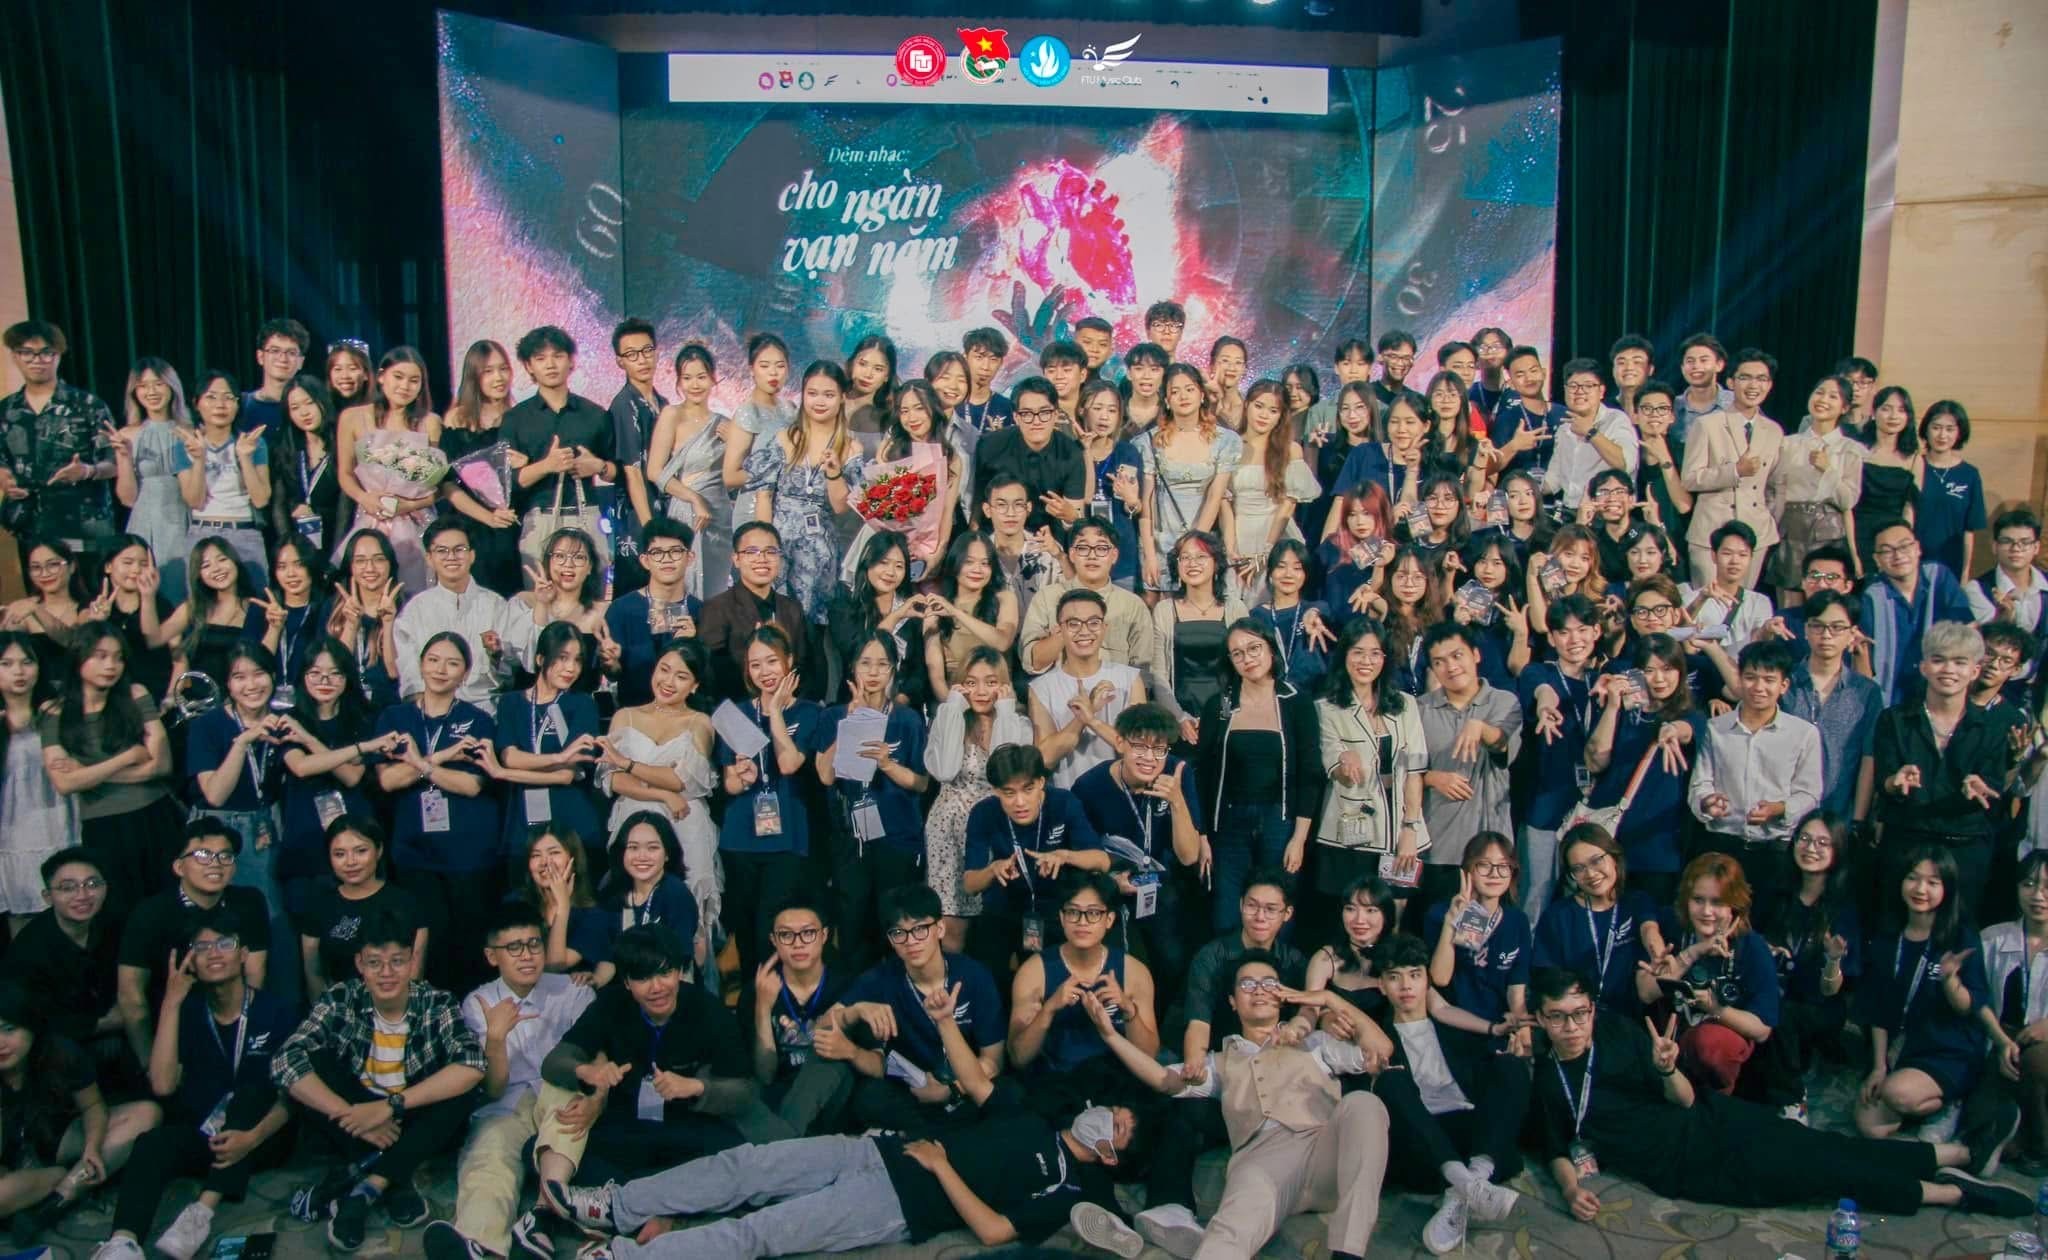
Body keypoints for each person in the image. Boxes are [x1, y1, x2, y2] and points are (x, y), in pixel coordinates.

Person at [1528, 967, 2030, 1226]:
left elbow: (1683, 1100)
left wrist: (1667, 1068)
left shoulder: (1617, 1031)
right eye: (1558, 1016)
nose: (1572, 1026)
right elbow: (1555, 1147)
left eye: (1580, 1012)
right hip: (1684, 1165)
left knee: (1822, 1146)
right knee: (1820, 1173)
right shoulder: (1548, 1078)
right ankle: (1951, 1193)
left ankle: (1954, 1155)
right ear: (1540, 1018)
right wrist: (1571, 1191)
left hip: (1711, 1118)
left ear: (1592, 1009)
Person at [550, 1077, 1133, 1260]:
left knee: (762, 1233)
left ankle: (623, 1256)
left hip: (900, 1204)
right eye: (1112, 1109)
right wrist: (941, 1014)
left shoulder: (1067, 1187)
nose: (1109, 1116)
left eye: (1121, 1125)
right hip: (874, 1150)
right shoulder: (1032, 1118)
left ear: (1111, 1153)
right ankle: (616, 1205)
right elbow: (977, 1082)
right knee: (746, 1166)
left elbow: (994, 1231)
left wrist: (941, 1168)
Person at [1091, 950, 1392, 1260]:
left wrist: (1327, 998)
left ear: (1282, 997)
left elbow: (1382, 1048)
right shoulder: (1220, 1061)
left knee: (1364, 1104)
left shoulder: (1314, 1043)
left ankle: (1348, 1253)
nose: (1259, 990)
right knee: (1226, 1236)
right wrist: (1110, 1035)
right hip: (1262, 1161)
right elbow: (1162, 1079)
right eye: (1247, 984)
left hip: (1323, 1151)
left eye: (1269, 983)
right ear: (1233, 1002)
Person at [271, 908, 484, 1252]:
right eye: (375, 963)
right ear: (360, 963)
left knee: (462, 1091)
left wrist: (389, 1106)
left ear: (412, 962)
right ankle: (396, 1179)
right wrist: (353, 1115)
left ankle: (366, 1187)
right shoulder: (342, 997)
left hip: (409, 1111)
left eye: (397, 962)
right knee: (311, 1065)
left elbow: (473, 1064)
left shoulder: (436, 1002)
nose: (386, 973)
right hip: (355, 1112)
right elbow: (284, 1060)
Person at [94, 907, 292, 1260]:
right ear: (191, 962)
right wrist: (171, 1003)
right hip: (205, 1135)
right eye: (202, 948)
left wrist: (251, 1139)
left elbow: (291, 1098)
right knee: (153, 1143)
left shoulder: (276, 1011)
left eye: (225, 944)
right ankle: (123, 1242)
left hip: (261, 1137)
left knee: (249, 1094)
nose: (214, 953)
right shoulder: (185, 1011)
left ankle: (200, 1212)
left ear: (243, 954)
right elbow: (162, 1085)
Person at [423, 900, 595, 1260]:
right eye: (514, 947)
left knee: (566, 1117)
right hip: (508, 1100)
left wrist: (594, 1099)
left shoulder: (574, 992)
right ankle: (479, 1243)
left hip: (560, 1092)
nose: (527, 956)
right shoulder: (478, 1002)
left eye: (534, 944)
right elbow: (493, 1089)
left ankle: (542, 1221)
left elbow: (590, 1063)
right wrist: (496, 1039)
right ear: (492, 956)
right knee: (489, 1153)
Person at [1371, 933, 1527, 1254]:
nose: (1406, 986)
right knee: (1389, 1081)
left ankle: (1465, 1187)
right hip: (1422, 1136)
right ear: (1381, 986)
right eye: (1394, 977)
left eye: (1415, 975)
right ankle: (1471, 1185)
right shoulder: (1377, 1036)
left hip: (1470, 1133)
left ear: (1427, 981)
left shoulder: (1451, 1024)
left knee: (1511, 1065)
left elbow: (1486, 1077)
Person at [820, 883, 1007, 1135]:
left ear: (940, 928)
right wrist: (857, 1010)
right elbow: (822, 1026)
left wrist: (952, 1089)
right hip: (912, 1090)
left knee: (1007, 1093)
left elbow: (993, 1060)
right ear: (890, 940)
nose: (911, 941)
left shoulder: (974, 975)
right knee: (869, 1097)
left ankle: (930, 1138)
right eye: (899, 933)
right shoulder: (880, 978)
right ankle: (937, 1137)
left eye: (920, 929)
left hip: (966, 1086)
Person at [374, 631, 502, 993]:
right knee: (420, 950)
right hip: (414, 853)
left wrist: (419, 764)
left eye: (452, 663)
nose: (441, 670)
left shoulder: (478, 720)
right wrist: (443, 758)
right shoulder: (394, 717)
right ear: (420, 664)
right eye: (433, 660)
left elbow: (472, 784)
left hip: (468, 855)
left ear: (465, 673)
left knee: (467, 951)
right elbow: (389, 780)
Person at [715, 626, 829, 1005]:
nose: (764, 672)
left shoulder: (810, 712)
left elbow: (790, 763)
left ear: (789, 661)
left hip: (788, 839)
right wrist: (740, 777)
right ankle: (752, 1010)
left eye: (771, 662)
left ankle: (781, 1007)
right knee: (746, 932)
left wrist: (775, 712)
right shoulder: (734, 714)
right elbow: (728, 782)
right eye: (755, 665)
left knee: (774, 926)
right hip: (741, 837)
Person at [0, 978, 160, 1243]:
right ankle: (49, 1187)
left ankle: (60, 1197)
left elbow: (93, 1106)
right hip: (12, 1164)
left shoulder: (60, 1052)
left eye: (9, 1029)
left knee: (147, 1114)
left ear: (31, 1026)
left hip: (56, 1138)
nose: (1, 1043)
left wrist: (92, 1146)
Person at [1873, 620, 2014, 915]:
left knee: (1956, 932)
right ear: (1924, 666)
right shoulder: (1894, 720)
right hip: (1906, 843)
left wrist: (1980, 788)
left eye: (1960, 662)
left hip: (1965, 848)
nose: (1949, 670)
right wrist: (1894, 782)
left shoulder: (1992, 727)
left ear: (1975, 670)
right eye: (1939, 660)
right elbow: (1883, 781)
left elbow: (1994, 788)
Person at [182, 642, 297, 1008]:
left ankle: (271, 1015)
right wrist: (243, 741)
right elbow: (215, 794)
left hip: (267, 830)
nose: (251, 685)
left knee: (272, 926)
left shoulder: (285, 722)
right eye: (239, 677)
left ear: (273, 677)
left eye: (259, 674)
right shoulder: (208, 725)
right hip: (218, 832)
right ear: (227, 685)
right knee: (218, 924)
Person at [1855, 846, 1992, 1142]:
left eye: (1933, 882)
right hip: (1902, 1046)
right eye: (1913, 878)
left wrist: (1950, 980)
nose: (1920, 889)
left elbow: (1968, 1006)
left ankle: (1951, 1101)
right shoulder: (1887, 936)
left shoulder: (1961, 936)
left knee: (1897, 1093)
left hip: (1948, 1047)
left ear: (1947, 889)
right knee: (1869, 1125)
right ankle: (1933, 1118)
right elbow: (1877, 1007)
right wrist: (1879, 1066)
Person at [1194, 618, 1323, 926]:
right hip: (1228, 823)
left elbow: (1310, 773)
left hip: (1280, 820)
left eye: (1254, 648)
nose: (1248, 658)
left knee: (1276, 909)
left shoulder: (1296, 702)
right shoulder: (1220, 705)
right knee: (1227, 912)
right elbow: (1203, 776)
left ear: (1270, 650)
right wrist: (1202, 836)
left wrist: (1299, 838)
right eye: (1237, 653)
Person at [597, 641, 720, 957]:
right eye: (664, 670)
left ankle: (688, 975)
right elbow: (613, 779)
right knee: (631, 900)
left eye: (681, 676)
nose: (668, 681)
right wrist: (662, 793)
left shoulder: (699, 722)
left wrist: (629, 765)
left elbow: (683, 779)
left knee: (689, 906)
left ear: (695, 685)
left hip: (685, 821)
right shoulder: (625, 716)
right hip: (634, 818)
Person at [1070, 703, 1203, 995]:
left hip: (1162, 884)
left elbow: (1189, 856)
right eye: (1140, 747)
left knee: (1171, 959)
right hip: (1110, 886)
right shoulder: (1090, 786)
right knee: (1122, 966)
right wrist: (1110, 881)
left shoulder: (1177, 773)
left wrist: (1177, 801)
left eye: (1159, 749)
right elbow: (1080, 856)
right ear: (1120, 743)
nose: (1150, 758)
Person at [816, 631, 930, 967]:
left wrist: (888, 765)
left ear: (893, 669)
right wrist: (849, 726)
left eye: (882, 664)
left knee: (895, 927)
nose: (873, 672)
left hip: (898, 837)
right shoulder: (834, 716)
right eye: (865, 663)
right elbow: (825, 775)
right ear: (853, 668)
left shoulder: (907, 719)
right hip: (851, 839)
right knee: (852, 930)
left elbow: (921, 783)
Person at [1007, 870, 1161, 1112]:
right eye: (1073, 912)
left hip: (1118, 1084)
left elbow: (1149, 1055)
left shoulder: (1134, 972)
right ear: (1061, 917)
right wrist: (1048, 1009)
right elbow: (1018, 1057)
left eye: (1093, 913)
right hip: (1057, 1086)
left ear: (1109, 919)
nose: (1082, 922)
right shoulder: (1034, 972)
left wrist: (1128, 1009)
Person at [1311, 619, 1426, 933]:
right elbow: (1333, 762)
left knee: (1393, 921)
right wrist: (1343, 760)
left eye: (1375, 653)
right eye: (1358, 652)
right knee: (1353, 922)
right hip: (1350, 833)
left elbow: (1415, 770)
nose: (1366, 661)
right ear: (1344, 656)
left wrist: (1410, 829)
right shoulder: (1326, 708)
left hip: (1402, 831)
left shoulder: (1406, 705)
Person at [1636, 852, 1780, 1095]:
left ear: (1735, 906)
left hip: (1715, 1046)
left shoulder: (1752, 947)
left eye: (1718, 902)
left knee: (1710, 1044)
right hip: (1667, 1039)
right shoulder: (1674, 926)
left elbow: (1762, 1030)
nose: (1706, 911)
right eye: (1698, 900)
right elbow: (1645, 993)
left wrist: (1716, 1009)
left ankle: (1716, 1100)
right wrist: (1692, 952)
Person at [962, 744, 1108, 977]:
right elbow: (970, 884)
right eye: (1009, 793)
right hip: (1004, 907)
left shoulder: (1063, 802)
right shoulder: (983, 812)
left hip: (1056, 908)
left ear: (1041, 782)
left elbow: (1102, 861)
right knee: (983, 961)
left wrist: (1065, 856)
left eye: (1027, 789)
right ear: (996, 791)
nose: (1020, 802)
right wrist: (992, 870)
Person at [1751, 811, 1861, 1122]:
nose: (1811, 848)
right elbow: (1750, 940)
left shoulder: (1842, 909)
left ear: (1837, 851)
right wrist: (1765, 949)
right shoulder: (1776, 893)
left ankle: (1792, 1098)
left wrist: (1833, 959)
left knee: (1784, 1016)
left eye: (1823, 843)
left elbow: (1831, 990)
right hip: (1774, 991)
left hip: (1817, 1005)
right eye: (1805, 839)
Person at [1582, 633, 1706, 903]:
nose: (1659, 679)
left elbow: (1688, 730)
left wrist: (1672, 730)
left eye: (1667, 669)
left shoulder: (1692, 715)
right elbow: (1595, 762)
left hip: (1657, 847)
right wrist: (1613, 707)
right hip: (1609, 839)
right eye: (1649, 670)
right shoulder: (1621, 712)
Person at [923, 646, 1032, 946]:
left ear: (1004, 685)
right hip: (948, 829)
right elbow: (944, 771)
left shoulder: (1018, 723)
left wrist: (1006, 713)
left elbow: (1005, 773)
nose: (981, 691)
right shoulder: (949, 718)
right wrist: (952, 709)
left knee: (995, 929)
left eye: (991, 682)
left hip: (996, 828)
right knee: (952, 927)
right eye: (971, 682)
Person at [1687, 640, 1823, 876]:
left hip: (1775, 849)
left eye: (1769, 680)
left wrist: (1779, 809)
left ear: (1783, 685)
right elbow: (1700, 784)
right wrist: (1707, 802)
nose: (1759, 687)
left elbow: (1809, 793)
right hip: (1721, 845)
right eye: (1750, 677)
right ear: (1739, 679)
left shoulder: (1803, 734)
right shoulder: (1715, 728)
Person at [1416, 622, 1522, 906]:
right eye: (1439, 662)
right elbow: (1400, 772)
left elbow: (1502, 745)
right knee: (1441, 926)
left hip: (1492, 854)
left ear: (1475, 654)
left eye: (1457, 655)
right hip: (1439, 847)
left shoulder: (1504, 702)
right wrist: (1431, 778)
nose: (1450, 667)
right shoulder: (1419, 709)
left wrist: (1480, 728)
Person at [0, 320, 118, 571]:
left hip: (83, 524)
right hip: (29, 525)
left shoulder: (88, 405)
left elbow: (114, 463)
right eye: (26, 352)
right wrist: (5, 479)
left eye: (46, 353)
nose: (37, 360)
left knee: (89, 591)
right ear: (15, 356)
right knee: (42, 593)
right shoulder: (6, 410)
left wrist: (87, 471)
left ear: (58, 355)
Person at [482, 620, 604, 853]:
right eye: (562, 658)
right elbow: (510, 757)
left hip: (571, 821)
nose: (571, 668)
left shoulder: (582, 704)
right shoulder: (511, 702)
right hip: (522, 822)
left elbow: (566, 776)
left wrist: (503, 773)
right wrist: (559, 757)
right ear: (540, 659)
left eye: (578, 660)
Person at [393, 517, 536, 715]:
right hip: (430, 712)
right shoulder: (415, 610)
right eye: (442, 551)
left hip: (485, 709)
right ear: (429, 558)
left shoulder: (496, 605)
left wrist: (496, 655)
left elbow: (510, 670)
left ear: (472, 555)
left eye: (459, 549)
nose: (451, 557)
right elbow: (410, 677)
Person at [502, 327, 616, 573]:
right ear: (529, 366)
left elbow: (618, 471)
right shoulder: (515, 419)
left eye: (558, 356)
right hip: (538, 520)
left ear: (571, 361)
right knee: (539, 592)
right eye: (540, 358)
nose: (550, 365)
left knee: (591, 592)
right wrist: (547, 466)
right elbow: (507, 483)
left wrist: (598, 467)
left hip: (586, 516)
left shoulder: (595, 414)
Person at [1517, 594, 1602, 916]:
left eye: (1582, 630)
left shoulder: (1603, 680)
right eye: (1564, 632)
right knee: (1537, 894)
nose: (1574, 639)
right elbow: (1543, 692)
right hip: (1546, 806)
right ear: (1551, 638)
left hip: (1594, 806)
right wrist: (1545, 707)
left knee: (1589, 895)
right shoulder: (1539, 673)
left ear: (1596, 631)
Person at [332, 347, 443, 593]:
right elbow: (345, 473)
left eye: (414, 380)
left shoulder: (430, 422)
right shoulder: (352, 417)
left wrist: (409, 505)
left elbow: (440, 485)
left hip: (417, 521)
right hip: (372, 517)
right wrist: (364, 498)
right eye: (398, 377)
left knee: (417, 592)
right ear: (381, 376)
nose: (405, 386)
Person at [745, 895, 855, 1139]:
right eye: (786, 935)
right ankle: (789, 1142)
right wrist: (762, 1008)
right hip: (780, 1091)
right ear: (774, 940)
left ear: (824, 935)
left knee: (828, 1065)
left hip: (832, 1093)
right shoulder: (759, 989)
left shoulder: (846, 987)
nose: (798, 943)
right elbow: (765, 1075)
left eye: (808, 933)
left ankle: (783, 1143)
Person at [1779, 590, 1881, 833]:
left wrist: (1858, 821)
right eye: (1818, 626)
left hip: (1840, 819)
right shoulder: (1784, 684)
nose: (1826, 635)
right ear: (1805, 630)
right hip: (1783, 817)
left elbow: (1869, 757)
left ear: (1852, 633)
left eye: (1837, 627)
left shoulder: (1865, 692)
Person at [1678, 349, 1780, 586]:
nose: (1753, 385)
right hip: (1711, 532)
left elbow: (1774, 486)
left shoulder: (1773, 430)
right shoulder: (1707, 424)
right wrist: (1734, 471)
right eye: (1745, 377)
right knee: (1708, 602)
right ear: (1731, 382)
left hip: (1755, 534)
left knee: (1742, 603)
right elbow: (1690, 478)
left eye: (1761, 379)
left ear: (1769, 385)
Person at [296, 815, 429, 996]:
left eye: (360, 851)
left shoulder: (406, 903)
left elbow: (415, 973)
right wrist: (328, 1010)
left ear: (379, 850)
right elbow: (314, 973)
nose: (351, 862)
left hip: (397, 1005)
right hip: (338, 1006)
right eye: (339, 854)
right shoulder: (319, 906)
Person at [10, 849, 123, 1063]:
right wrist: (106, 1023)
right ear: (48, 897)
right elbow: (34, 1019)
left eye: (92, 884)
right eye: (68, 888)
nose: (82, 895)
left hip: (121, 1028)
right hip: (59, 1047)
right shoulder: (28, 950)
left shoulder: (118, 924)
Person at [1027, 587, 1147, 788]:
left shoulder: (1130, 679)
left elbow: (1139, 750)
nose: (1084, 631)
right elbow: (1045, 759)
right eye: (1073, 623)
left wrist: (1092, 720)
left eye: (1093, 622)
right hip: (1067, 795)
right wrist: (1082, 718)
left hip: (1120, 794)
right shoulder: (1041, 688)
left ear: (1104, 628)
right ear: (1059, 630)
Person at [1423, 833, 1533, 1046]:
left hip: (1501, 1027)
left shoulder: (1517, 920)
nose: (1494, 874)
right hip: (1455, 1027)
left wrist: (1523, 1031)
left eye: (1503, 866)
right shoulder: (1439, 914)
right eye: (1484, 865)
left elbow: (1516, 990)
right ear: (1468, 870)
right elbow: (1440, 979)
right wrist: (1451, 923)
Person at [1140, 365, 1241, 596]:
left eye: (1189, 389)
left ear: (1202, 394)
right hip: (1162, 539)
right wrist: (1149, 554)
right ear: (1167, 400)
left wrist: (1193, 545)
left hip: (1205, 539)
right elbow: (1147, 503)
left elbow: (1216, 496)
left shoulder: (1225, 440)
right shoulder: (1148, 442)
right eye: (1175, 392)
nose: (1183, 396)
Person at [644, 345, 732, 602]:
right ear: (679, 381)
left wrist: (735, 442)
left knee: (716, 593)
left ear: (713, 379)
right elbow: (654, 472)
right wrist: (694, 498)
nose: (695, 385)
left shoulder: (724, 423)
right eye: (687, 378)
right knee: (684, 586)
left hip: (720, 518)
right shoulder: (671, 414)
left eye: (701, 377)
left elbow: (739, 474)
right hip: (686, 512)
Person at [1978, 852, 2048, 1170]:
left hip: (2040, 1047)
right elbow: (1977, 1001)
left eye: (2047, 887)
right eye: (2028, 884)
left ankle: (2040, 1147)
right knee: (1985, 1129)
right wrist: (2000, 1041)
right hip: (1999, 1039)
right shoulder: (1993, 938)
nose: (2038, 896)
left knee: (2037, 1060)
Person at [695, 521, 814, 704]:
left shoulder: (792, 608)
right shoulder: (717, 608)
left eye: (770, 552)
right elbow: (711, 674)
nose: (762, 559)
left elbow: (805, 666)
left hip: (790, 709)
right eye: (751, 552)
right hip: (738, 709)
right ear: (736, 559)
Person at [1768, 374, 1864, 602]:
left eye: (1833, 396)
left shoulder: (1850, 449)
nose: (1823, 400)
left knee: (1825, 603)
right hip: (1791, 529)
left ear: (1845, 407)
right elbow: (1774, 491)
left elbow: (1848, 501)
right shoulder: (1788, 444)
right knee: (1790, 605)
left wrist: (1828, 470)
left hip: (1830, 532)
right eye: (1819, 392)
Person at [1018, 518, 1155, 677]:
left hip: (1116, 690)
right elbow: (1031, 661)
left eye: (1101, 548)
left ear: (1114, 555)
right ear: (1072, 554)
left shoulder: (1132, 605)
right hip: (1061, 690)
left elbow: (1143, 671)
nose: (1092, 555)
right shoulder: (1047, 597)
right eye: (1083, 548)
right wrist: (1065, 632)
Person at [439, 339, 523, 597]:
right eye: (488, 371)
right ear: (474, 376)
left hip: (514, 525)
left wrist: (525, 463)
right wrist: (488, 517)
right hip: (471, 527)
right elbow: (447, 485)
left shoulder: (520, 417)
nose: (499, 378)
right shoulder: (457, 419)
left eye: (503, 369)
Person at [1146, 531, 1248, 744]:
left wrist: (1227, 715)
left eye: (1201, 556)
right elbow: (1158, 674)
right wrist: (1179, 717)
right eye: (1185, 557)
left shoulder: (1235, 608)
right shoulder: (1164, 610)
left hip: (1227, 716)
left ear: (1216, 563)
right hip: (1179, 716)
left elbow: (1245, 671)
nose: (1192, 563)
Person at [1861, 517, 1973, 705]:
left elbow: (1967, 628)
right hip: (1891, 698)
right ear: (1877, 559)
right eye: (1887, 551)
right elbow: (1864, 654)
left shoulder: (1939, 577)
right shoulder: (1872, 596)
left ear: (1918, 548)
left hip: (1939, 692)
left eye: (1904, 546)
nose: (1898, 555)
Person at [109, 362, 193, 592]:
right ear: (134, 392)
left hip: (184, 519)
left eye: (158, 384)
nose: (151, 392)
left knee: (182, 586)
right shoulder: (127, 434)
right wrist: (124, 457)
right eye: (143, 386)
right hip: (145, 520)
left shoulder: (191, 432)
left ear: (172, 387)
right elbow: (127, 499)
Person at [603, 519, 701, 708]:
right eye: (657, 553)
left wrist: (692, 646)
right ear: (645, 561)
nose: (667, 559)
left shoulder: (702, 612)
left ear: (690, 557)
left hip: (687, 714)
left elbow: (707, 680)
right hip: (634, 712)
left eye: (675, 551)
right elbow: (613, 674)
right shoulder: (621, 609)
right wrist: (610, 661)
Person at [505, 828, 614, 985]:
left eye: (554, 853)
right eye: (536, 855)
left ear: (573, 860)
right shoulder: (514, 904)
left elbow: (554, 966)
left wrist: (562, 906)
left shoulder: (593, 914)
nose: (545, 862)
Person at [918, 530, 1018, 698]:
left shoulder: (1004, 599)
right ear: (955, 563)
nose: (977, 570)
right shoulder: (936, 607)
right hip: (954, 696)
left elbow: (1002, 642)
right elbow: (936, 675)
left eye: (985, 563)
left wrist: (955, 612)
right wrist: (951, 706)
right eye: (969, 562)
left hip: (998, 697)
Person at [270, 374, 348, 558]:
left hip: (335, 540)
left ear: (323, 401)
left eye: (309, 403)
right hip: (297, 544)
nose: (304, 413)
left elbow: (346, 508)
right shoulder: (286, 449)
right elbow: (278, 505)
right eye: (295, 407)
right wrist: (290, 549)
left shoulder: (342, 445)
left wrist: (336, 558)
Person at [1542, 359, 1637, 511]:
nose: (1580, 391)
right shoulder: (1564, 428)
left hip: (1606, 511)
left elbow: (1625, 465)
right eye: (1573, 386)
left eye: (1588, 385)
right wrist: (1525, 487)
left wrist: (1591, 432)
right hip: (1571, 512)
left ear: (1601, 391)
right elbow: (1554, 480)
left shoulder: (1616, 419)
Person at [724, 335, 796, 530]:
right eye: (764, 366)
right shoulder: (748, 412)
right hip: (753, 511)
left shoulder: (790, 409)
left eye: (780, 366)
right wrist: (773, 472)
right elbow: (730, 477)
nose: (773, 372)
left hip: (787, 511)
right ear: (751, 369)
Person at [1921, 404, 1990, 581]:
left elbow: (1969, 530)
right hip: (1913, 561)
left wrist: (1965, 572)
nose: (1942, 435)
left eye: (1950, 429)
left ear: (1959, 433)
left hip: (1951, 564)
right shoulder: (1913, 467)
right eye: (1936, 427)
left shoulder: (1969, 474)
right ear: (1926, 429)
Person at [1680, 522, 1774, 653]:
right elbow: (1681, 636)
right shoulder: (1691, 599)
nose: (1735, 561)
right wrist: (1701, 599)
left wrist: (1768, 631)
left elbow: (1759, 647)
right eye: (1727, 553)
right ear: (1714, 556)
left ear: (1751, 558)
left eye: (1743, 555)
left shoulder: (1760, 602)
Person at [1968, 508, 2047, 633]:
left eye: (2025, 542)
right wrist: (2001, 619)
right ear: (1995, 546)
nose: (2016, 548)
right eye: (2007, 541)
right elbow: (1985, 638)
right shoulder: (1977, 590)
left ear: (2036, 547)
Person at [959, 325, 1015, 433]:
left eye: (993, 359)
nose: (985, 367)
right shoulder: (950, 403)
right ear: (965, 357)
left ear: (1001, 363)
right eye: (979, 357)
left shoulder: (1008, 407)